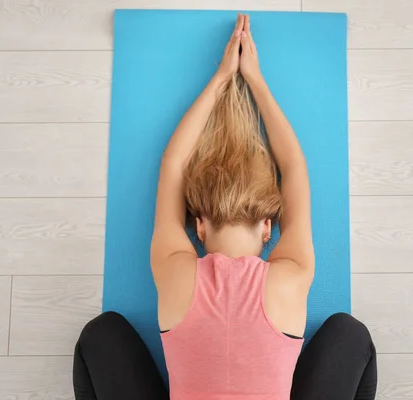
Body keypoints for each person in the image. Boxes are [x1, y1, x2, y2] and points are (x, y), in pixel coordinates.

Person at [73, 13, 377, 400]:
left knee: (100, 334)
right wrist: (256, 81)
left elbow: (173, 164)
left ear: (199, 226)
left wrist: (221, 80)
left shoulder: (175, 272)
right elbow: (295, 166)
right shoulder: (291, 278)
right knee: (351, 333)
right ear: (269, 226)